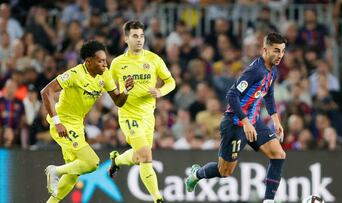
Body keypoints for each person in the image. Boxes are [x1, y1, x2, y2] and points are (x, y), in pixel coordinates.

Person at [185, 33, 287, 203]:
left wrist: (275, 119)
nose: (280, 56)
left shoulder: (273, 71)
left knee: (278, 154)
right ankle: (196, 174)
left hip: (253, 122)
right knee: (224, 171)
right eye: (276, 51)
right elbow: (232, 95)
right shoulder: (255, 71)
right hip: (235, 124)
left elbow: (268, 93)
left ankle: (269, 200)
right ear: (265, 49)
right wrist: (245, 122)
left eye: (282, 51)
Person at [41, 40, 134, 203]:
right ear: (88, 61)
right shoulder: (75, 74)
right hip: (63, 124)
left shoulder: (105, 75)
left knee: (73, 176)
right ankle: (54, 171)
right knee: (92, 163)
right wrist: (57, 122)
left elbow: (118, 101)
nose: (105, 64)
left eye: (105, 60)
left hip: (76, 126)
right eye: (100, 61)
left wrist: (126, 90)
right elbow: (46, 92)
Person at [108, 20, 176, 203]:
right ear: (126, 39)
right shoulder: (117, 64)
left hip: (148, 117)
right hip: (129, 116)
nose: (139, 40)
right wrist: (121, 94)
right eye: (135, 36)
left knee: (139, 157)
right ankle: (157, 198)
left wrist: (160, 91)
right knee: (146, 156)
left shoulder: (154, 59)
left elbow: (171, 82)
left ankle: (117, 160)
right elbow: (108, 86)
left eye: (142, 36)